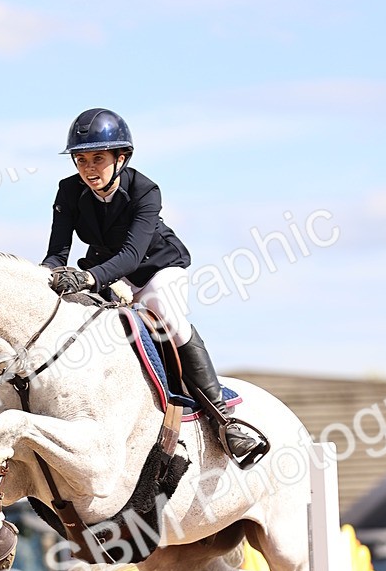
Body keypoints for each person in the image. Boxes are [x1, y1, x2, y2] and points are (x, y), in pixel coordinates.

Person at [41, 107, 267, 466]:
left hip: (156, 268)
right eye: (81, 159)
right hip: (103, 271)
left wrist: (88, 278)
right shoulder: (68, 191)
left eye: (98, 158)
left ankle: (225, 421)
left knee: (168, 316)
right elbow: (57, 252)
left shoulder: (146, 191)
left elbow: (132, 255)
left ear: (121, 157)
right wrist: (43, 279)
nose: (88, 168)